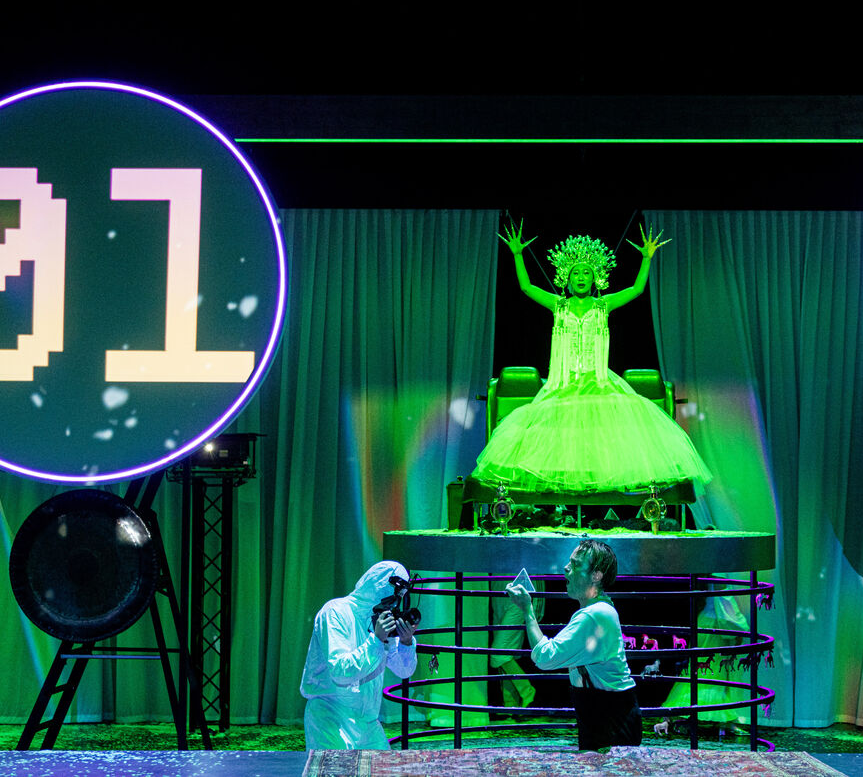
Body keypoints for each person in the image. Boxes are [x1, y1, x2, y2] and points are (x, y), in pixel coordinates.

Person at [473, 221, 713, 494]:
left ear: (595, 277)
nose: (581, 277)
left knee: (603, 437)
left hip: (597, 381)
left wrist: (646, 259)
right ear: (567, 277)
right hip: (563, 384)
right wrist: (518, 254)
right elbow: (527, 287)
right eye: (576, 272)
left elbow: (636, 290)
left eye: (586, 272)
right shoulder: (558, 305)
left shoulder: (603, 305)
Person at [507, 540, 641, 751]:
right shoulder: (600, 610)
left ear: (596, 576)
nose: (566, 568)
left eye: (576, 564)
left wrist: (527, 610)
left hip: (610, 721)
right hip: (608, 715)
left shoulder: (593, 615)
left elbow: (545, 657)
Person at [300, 560, 418, 749]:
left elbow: (404, 671)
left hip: (368, 722)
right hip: (331, 717)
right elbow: (340, 671)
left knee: (386, 765)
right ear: (380, 586)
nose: (395, 602)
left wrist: (405, 643)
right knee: (333, 766)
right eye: (395, 594)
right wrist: (376, 640)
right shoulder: (335, 612)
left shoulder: (380, 620)